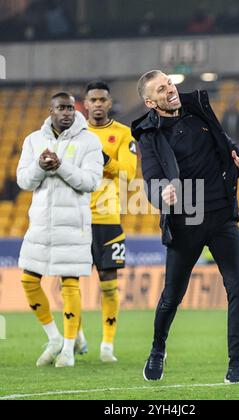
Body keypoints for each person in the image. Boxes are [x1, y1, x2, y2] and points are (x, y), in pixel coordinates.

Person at [131, 71, 239, 383]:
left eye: (170, 84)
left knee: (238, 286)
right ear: (150, 101)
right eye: (161, 89)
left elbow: (225, 141)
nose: (170, 90)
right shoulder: (150, 136)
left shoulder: (197, 109)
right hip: (185, 220)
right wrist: (163, 193)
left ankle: (235, 364)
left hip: (222, 216)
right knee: (172, 295)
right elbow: (151, 180)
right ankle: (158, 348)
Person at [17, 92, 103, 368]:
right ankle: (53, 337)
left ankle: (68, 348)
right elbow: (24, 180)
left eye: (70, 107)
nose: (67, 112)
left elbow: (90, 182)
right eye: (61, 108)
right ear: (51, 110)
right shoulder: (33, 140)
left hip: (73, 226)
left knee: (70, 284)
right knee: (29, 281)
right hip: (40, 223)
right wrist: (41, 167)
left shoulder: (89, 140)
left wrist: (61, 165)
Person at [75, 81, 137, 363]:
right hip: (74, 216)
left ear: (109, 103)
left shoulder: (123, 134)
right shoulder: (73, 134)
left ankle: (107, 346)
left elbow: (128, 174)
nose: (98, 104)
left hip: (107, 218)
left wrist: (102, 158)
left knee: (109, 280)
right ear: (85, 104)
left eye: (102, 100)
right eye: (93, 100)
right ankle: (75, 335)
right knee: (69, 279)